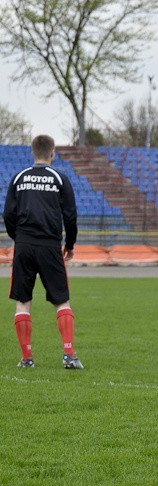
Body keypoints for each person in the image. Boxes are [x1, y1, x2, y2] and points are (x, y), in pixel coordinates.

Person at [3, 134, 82, 370]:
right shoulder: (60, 179)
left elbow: (8, 214)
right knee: (62, 300)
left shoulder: (19, 178)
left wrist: (19, 238)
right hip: (49, 246)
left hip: (24, 245)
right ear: (52, 153)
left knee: (22, 302)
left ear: (32, 152)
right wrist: (70, 245)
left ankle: (27, 358)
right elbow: (70, 216)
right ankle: (68, 355)